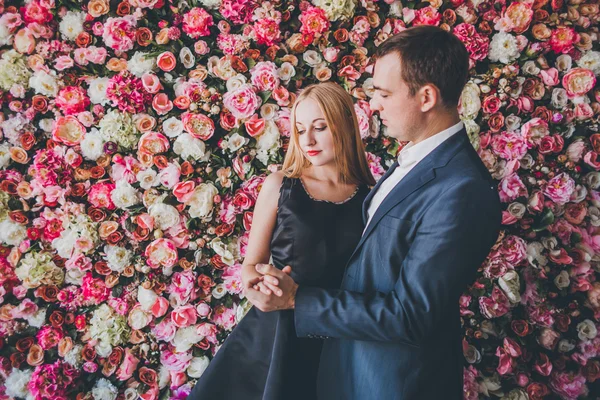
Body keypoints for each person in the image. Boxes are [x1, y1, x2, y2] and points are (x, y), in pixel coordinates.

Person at [248, 26, 503, 400]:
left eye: (383, 94)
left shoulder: (460, 189)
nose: (374, 105)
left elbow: (410, 314)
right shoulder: (413, 162)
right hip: (344, 366)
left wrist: (297, 300)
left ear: (427, 97)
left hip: (391, 382)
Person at [188, 81, 375, 400]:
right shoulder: (280, 186)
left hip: (337, 337)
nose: (308, 140)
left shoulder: (371, 199)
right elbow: (251, 266)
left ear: (344, 127)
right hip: (274, 334)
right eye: (300, 130)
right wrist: (256, 288)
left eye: (320, 127)